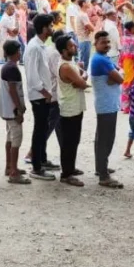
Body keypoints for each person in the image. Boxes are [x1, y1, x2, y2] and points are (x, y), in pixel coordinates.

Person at [25, 14, 58, 181]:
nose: (52, 29)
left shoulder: (41, 46)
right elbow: (32, 78)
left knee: (43, 128)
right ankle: (36, 166)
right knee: (40, 131)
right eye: (50, 26)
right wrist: (46, 93)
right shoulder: (34, 48)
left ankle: (42, 160)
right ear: (44, 28)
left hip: (43, 95)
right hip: (39, 96)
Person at [90, 30, 124, 188]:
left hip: (106, 103)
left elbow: (117, 76)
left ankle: (101, 167)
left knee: (101, 138)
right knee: (105, 139)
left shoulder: (103, 58)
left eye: (108, 42)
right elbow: (120, 77)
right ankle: (103, 175)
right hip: (106, 105)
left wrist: (115, 75)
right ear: (95, 44)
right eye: (103, 42)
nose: (107, 45)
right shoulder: (101, 60)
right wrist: (115, 76)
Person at [56, 35, 87, 187]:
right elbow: (82, 83)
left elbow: (82, 75)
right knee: (69, 142)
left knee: (74, 140)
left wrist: (81, 78)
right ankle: (66, 174)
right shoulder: (66, 66)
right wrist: (80, 80)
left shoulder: (70, 62)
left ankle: (71, 168)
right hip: (69, 108)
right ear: (64, 50)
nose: (75, 48)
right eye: (71, 46)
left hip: (75, 106)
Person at [0, 39, 30, 184]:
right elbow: (12, 90)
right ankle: (14, 172)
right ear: (16, 52)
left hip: (7, 109)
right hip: (12, 110)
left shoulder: (7, 66)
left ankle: (9, 166)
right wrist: (19, 109)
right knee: (16, 139)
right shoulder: (12, 69)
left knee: (10, 138)